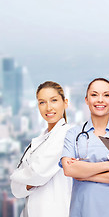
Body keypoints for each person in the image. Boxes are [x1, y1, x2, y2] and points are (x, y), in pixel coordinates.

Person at [61, 78, 109, 217]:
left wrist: (83, 173)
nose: (100, 100)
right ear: (86, 100)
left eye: (106, 95)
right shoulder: (74, 134)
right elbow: (69, 169)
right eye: (94, 94)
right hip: (82, 209)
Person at [11, 81, 73, 217]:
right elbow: (15, 190)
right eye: (42, 102)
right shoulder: (38, 141)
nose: (48, 107)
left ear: (65, 103)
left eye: (54, 100)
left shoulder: (66, 135)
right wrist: (26, 182)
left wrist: (16, 176)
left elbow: (38, 174)